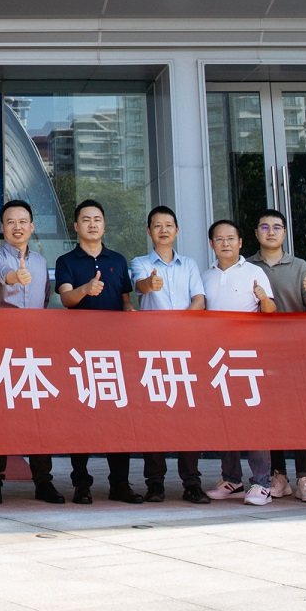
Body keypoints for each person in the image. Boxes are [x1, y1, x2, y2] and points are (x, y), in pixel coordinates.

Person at [54, 198, 139, 504]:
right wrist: (86, 289)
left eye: (97, 219)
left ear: (104, 225)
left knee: (119, 417)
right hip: (79, 351)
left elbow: (125, 300)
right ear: (76, 226)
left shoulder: (118, 259)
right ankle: (82, 484)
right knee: (81, 417)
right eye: (86, 219)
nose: (92, 224)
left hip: (115, 352)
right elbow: (66, 299)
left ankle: (120, 483)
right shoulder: (66, 261)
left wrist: (130, 313)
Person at [129, 204, 209, 504]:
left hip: (185, 349)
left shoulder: (189, 264)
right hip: (152, 351)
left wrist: (181, 324)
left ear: (177, 230)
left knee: (188, 417)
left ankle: (192, 482)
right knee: (154, 416)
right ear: (149, 231)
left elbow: (199, 299)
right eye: (157, 225)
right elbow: (141, 285)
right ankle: (155, 483)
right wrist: (150, 283)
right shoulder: (139, 262)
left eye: (168, 225)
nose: (163, 230)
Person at [0, 199, 59, 505]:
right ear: (2, 228)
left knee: (39, 415)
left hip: (35, 348)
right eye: (11, 222)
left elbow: (44, 299)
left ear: (32, 226)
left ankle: (43, 481)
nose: (17, 227)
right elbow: (1, 273)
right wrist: (16, 276)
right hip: (1, 346)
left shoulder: (40, 262)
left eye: (23, 221)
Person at [246, 208, 306, 502]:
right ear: (256, 233)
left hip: (295, 350)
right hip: (259, 352)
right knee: (270, 414)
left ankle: (305, 476)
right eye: (264, 227)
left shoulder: (300, 265)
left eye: (276, 227)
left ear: (284, 232)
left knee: (302, 413)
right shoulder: (246, 266)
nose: (270, 232)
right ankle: (278, 475)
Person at [200, 218, 276, 505]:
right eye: (219, 239)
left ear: (241, 242)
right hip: (216, 358)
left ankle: (262, 482)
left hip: (248, 356)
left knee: (254, 419)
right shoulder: (205, 276)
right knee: (224, 419)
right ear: (212, 244)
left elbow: (270, 311)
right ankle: (232, 479)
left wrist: (263, 298)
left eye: (230, 238)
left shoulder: (255, 272)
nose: (225, 243)